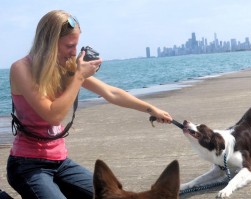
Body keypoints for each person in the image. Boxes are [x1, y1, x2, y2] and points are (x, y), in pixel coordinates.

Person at [7, 10, 172, 199]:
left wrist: (151, 109)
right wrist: (79, 76)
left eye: (76, 45)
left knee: (112, 195)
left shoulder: (65, 68)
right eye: (70, 46)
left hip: (60, 162)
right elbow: (52, 116)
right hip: (27, 165)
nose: (74, 52)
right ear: (50, 43)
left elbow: (111, 92)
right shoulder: (21, 68)